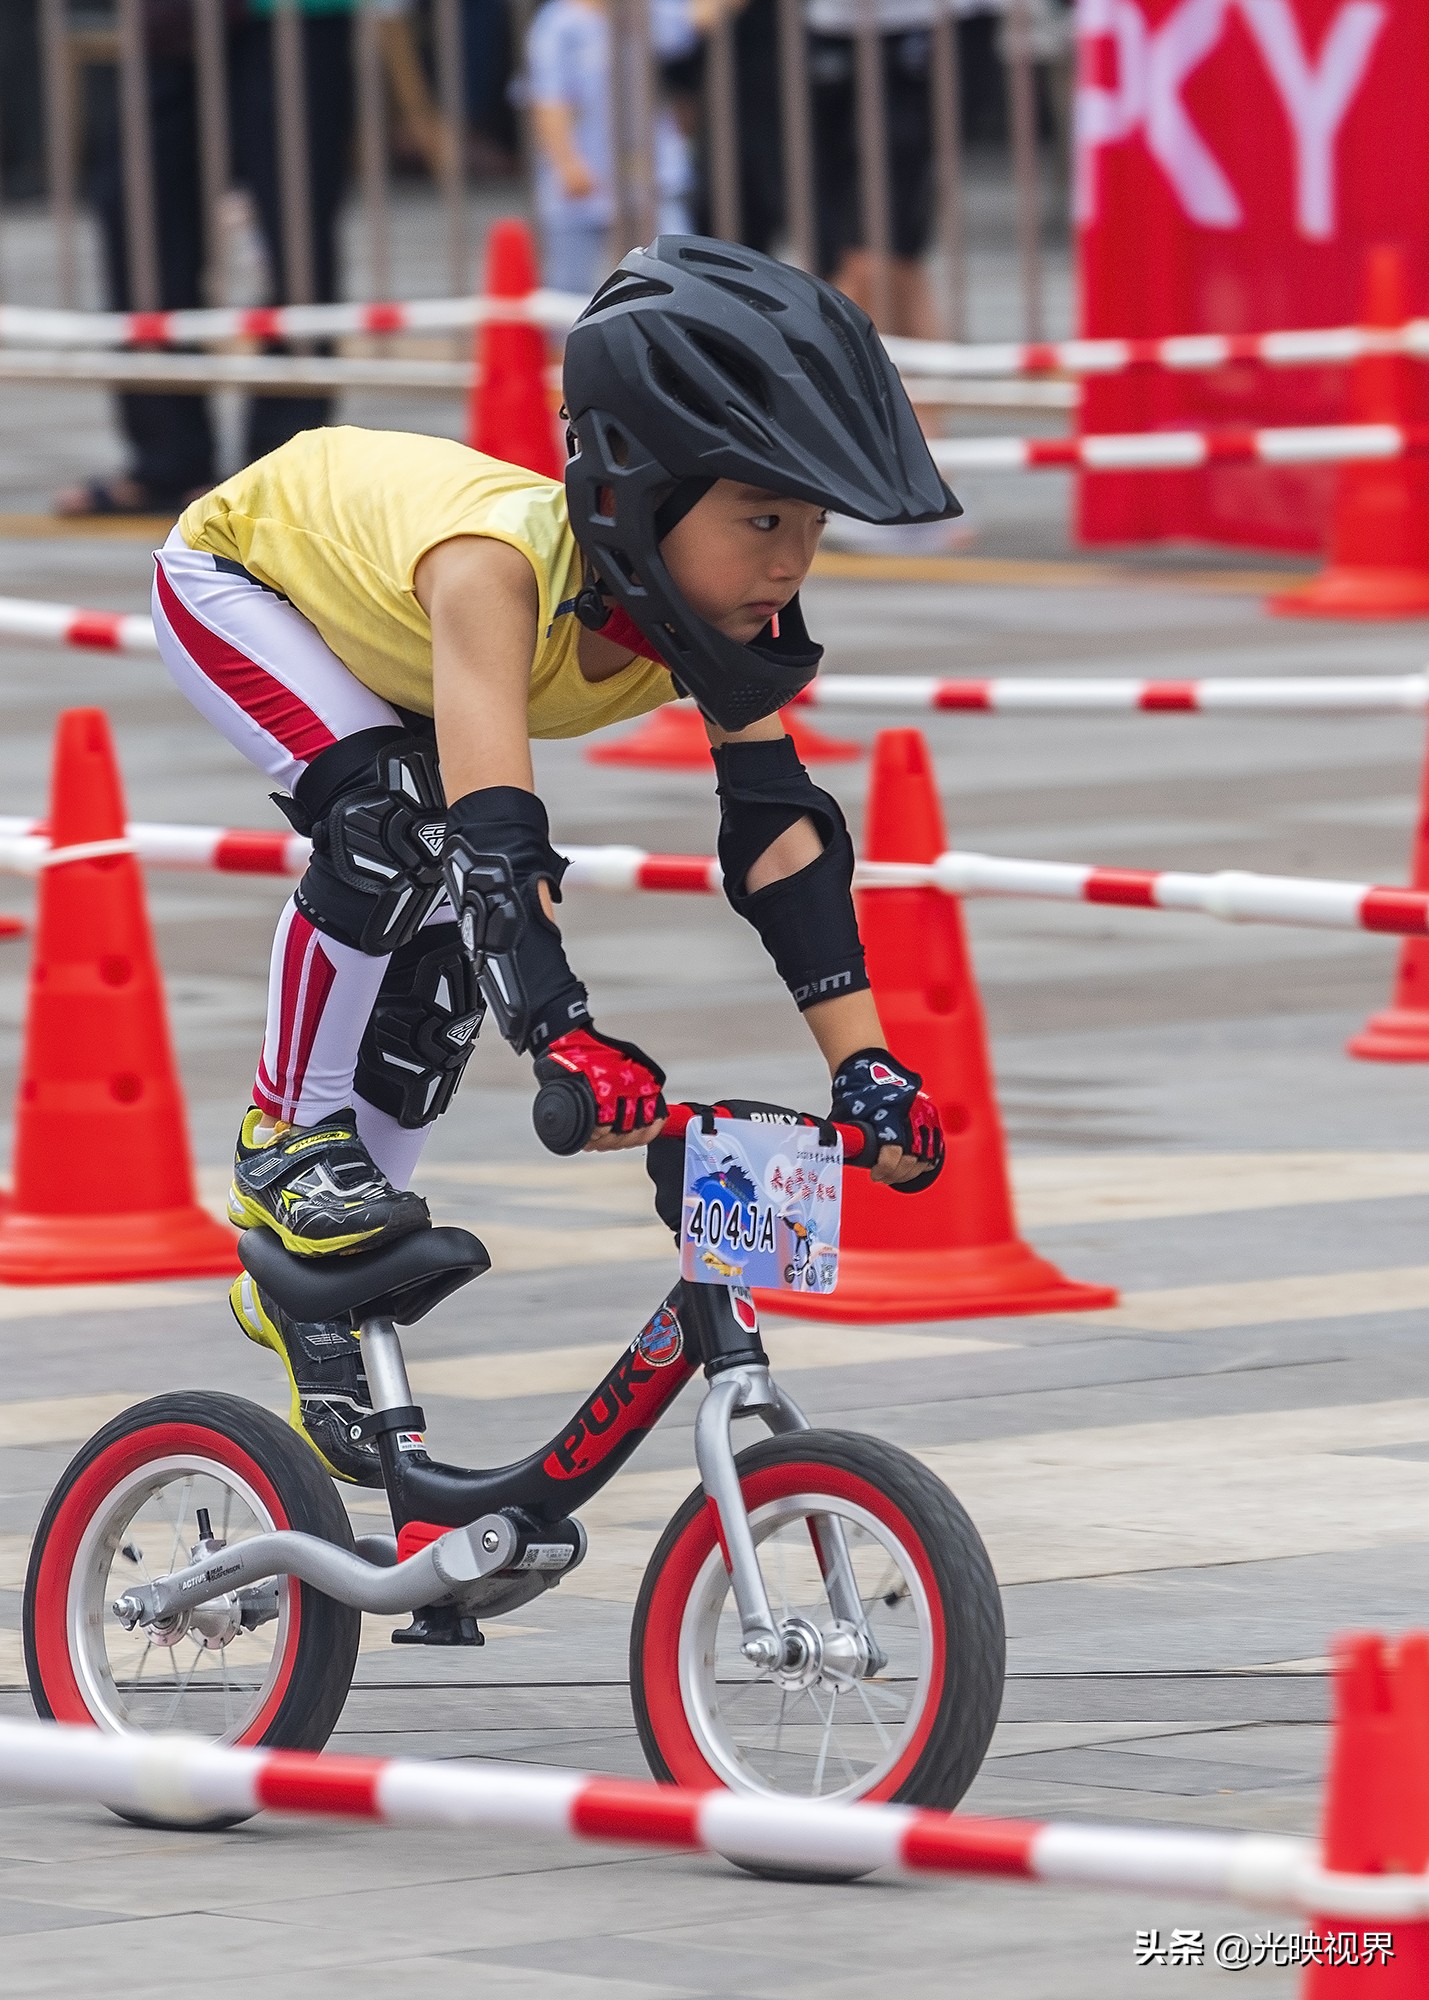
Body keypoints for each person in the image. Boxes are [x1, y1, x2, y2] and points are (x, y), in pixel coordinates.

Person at [151, 235, 957, 1486]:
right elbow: (494, 845)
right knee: (396, 825)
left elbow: (778, 839)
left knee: (445, 966)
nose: (792, 561)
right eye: (760, 518)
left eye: (809, 522)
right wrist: (566, 1033)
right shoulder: (499, 571)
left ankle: (322, 1276)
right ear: (644, 488)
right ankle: (284, 1139)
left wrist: (867, 1065)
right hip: (248, 579)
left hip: (395, 643)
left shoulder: (705, 608)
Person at [56, 0, 354, 519]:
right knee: (137, 211)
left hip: (291, 14)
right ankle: (168, 457)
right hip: (172, 16)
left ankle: (280, 462)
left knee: (296, 222)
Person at [526, 0, 694, 297]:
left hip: (647, 175)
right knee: (568, 293)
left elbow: (694, 20)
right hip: (583, 179)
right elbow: (549, 101)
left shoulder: (644, 11)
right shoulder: (558, 25)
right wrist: (567, 164)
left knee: (679, 273)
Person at [806, 0, 938, 336]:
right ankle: (945, 383)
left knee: (870, 258)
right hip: (827, 34)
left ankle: (831, 380)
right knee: (892, 271)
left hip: (926, 33)